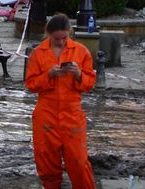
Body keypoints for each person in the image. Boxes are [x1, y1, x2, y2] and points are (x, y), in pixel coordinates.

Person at [25, 13, 96, 189]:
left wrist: (79, 74)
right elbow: (31, 85)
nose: (61, 41)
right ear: (48, 35)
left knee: (79, 162)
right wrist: (48, 75)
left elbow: (89, 83)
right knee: (47, 161)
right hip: (46, 114)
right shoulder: (38, 53)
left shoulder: (81, 51)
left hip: (72, 113)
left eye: (65, 37)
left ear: (69, 33)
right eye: (57, 38)